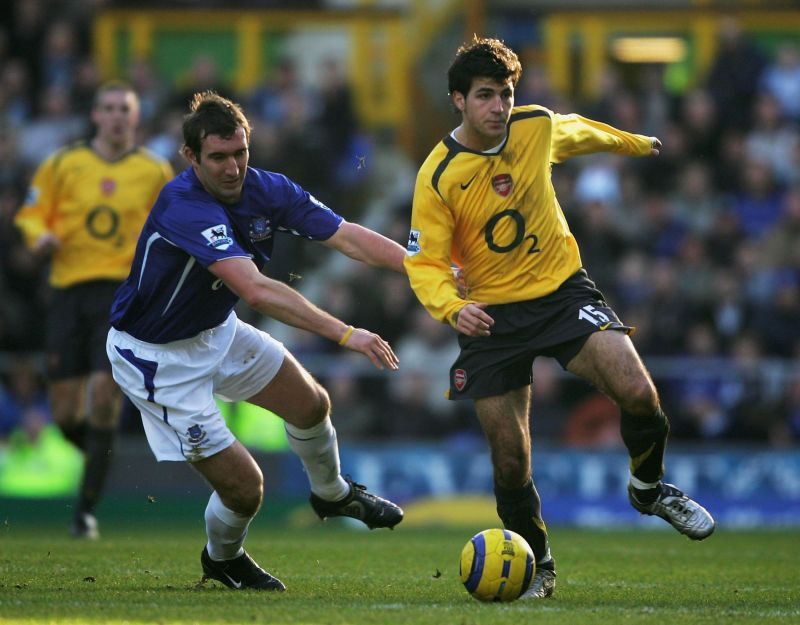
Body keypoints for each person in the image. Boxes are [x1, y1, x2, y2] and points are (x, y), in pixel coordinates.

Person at [404, 37, 715, 600]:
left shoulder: (534, 126)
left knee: (640, 393)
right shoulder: (439, 175)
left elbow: (579, 129)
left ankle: (648, 487)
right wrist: (454, 307)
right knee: (510, 460)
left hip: (561, 295)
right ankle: (539, 565)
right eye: (485, 96)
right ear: (458, 101)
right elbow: (424, 262)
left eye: (505, 94)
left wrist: (636, 143)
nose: (499, 106)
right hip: (491, 316)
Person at [105, 91, 406, 592]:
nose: (232, 167)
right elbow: (256, 290)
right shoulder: (183, 204)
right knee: (247, 490)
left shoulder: (269, 189)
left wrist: (424, 268)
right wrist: (346, 333)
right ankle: (223, 558)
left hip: (215, 331)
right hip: (158, 357)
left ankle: (332, 495)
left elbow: (348, 236)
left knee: (311, 404)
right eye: (218, 157)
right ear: (191, 158)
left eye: (240, 153)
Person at [14, 81, 174, 538]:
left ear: (136, 117)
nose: (117, 116)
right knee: (65, 412)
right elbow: (30, 212)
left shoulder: (153, 169)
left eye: (125, 108)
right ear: (96, 116)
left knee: (105, 396)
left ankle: (84, 512)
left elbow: (170, 221)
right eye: (109, 108)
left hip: (124, 294)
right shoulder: (64, 163)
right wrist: (37, 235)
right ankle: (100, 459)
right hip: (68, 293)